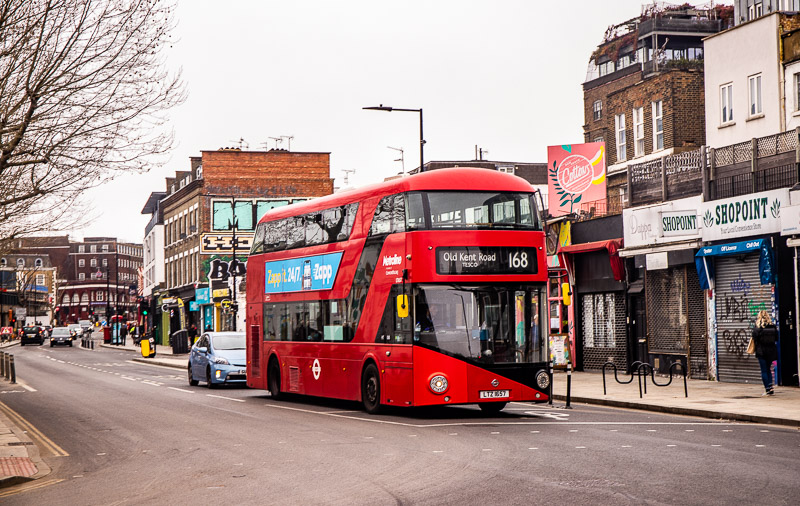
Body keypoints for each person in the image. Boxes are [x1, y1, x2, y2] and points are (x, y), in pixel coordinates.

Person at [752, 310, 778, 396]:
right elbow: (776, 338)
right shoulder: (773, 327)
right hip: (771, 351)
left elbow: (754, 338)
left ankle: (767, 389)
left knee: (764, 370)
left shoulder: (758, 328)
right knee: (768, 369)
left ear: (759, 317)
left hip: (761, 351)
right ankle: (770, 388)